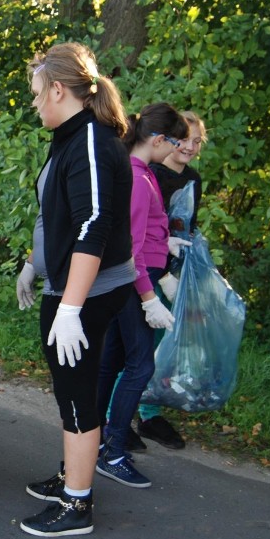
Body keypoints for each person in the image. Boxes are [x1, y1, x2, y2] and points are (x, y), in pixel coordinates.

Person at [15, 42, 135, 537]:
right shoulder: (69, 137)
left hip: (86, 291)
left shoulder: (89, 139)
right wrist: (33, 263)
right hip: (70, 285)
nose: (35, 104)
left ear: (60, 89)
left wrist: (70, 307)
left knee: (76, 392)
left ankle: (77, 503)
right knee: (71, 390)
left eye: (38, 94)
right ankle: (72, 474)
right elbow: (57, 215)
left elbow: (94, 224)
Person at [95, 103, 190, 489]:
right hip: (137, 282)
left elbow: (143, 230)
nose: (177, 150)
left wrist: (163, 241)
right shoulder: (136, 178)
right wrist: (149, 297)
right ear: (158, 139)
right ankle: (113, 448)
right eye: (175, 142)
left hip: (138, 277)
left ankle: (98, 436)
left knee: (113, 359)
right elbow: (129, 247)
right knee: (140, 365)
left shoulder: (144, 174)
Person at [135, 110, 208, 450]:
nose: (189, 146)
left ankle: (150, 412)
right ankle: (120, 413)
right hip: (151, 273)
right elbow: (147, 230)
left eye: (196, 141)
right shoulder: (153, 174)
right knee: (141, 345)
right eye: (184, 139)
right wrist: (162, 273)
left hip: (180, 271)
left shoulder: (193, 178)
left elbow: (188, 225)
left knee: (167, 345)